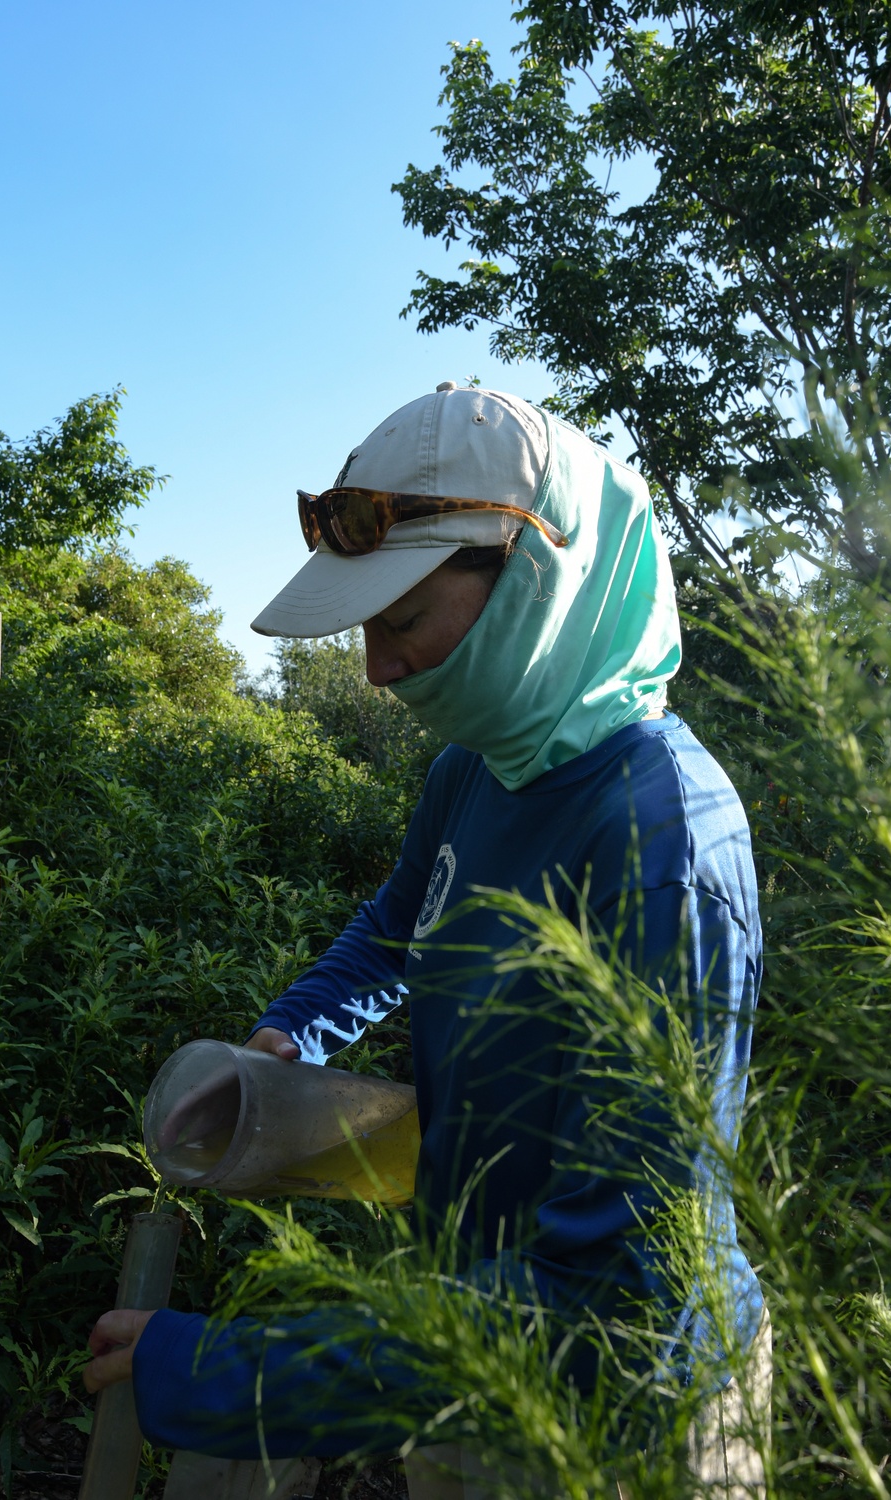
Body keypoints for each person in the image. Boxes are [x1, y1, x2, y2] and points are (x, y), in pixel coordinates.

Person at [85, 383, 768, 1493]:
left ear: (533, 583)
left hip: (617, 1415)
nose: (376, 669)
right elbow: (399, 926)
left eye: (401, 622)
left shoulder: (661, 844)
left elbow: (616, 1298)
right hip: (463, 1335)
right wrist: (287, 1040)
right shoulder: (479, 766)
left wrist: (225, 1375)